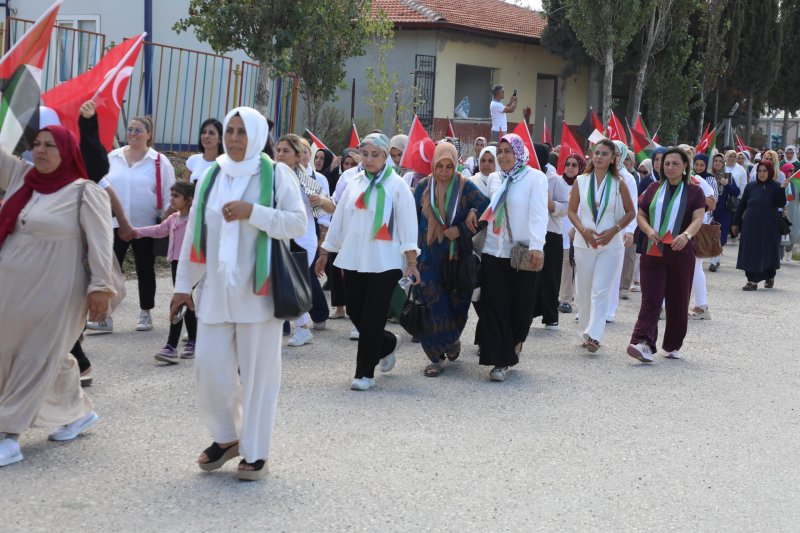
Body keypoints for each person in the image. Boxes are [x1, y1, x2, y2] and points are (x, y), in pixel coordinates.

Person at [171, 107, 306, 480]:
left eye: (242, 132)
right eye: (229, 131)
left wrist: (253, 212)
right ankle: (227, 437)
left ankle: (256, 451)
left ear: (258, 136)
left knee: (259, 378)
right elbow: (195, 235)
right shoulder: (212, 175)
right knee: (208, 368)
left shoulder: (276, 174)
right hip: (216, 293)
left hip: (259, 295)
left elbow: (298, 223)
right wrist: (183, 286)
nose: (233, 138)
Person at [0, 126, 115, 467]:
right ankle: (76, 412)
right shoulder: (23, 177)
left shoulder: (84, 192)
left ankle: (8, 435)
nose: (41, 150)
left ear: (67, 152)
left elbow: (101, 243)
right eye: (37, 144)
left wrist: (100, 287)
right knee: (35, 352)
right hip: (13, 289)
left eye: (51, 145)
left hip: (57, 289)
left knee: (36, 352)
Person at [321, 133, 420, 391]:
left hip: (385, 261)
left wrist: (411, 261)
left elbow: (408, 225)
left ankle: (364, 374)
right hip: (355, 257)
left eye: (375, 155)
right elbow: (340, 219)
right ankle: (387, 344)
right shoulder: (354, 182)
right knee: (356, 311)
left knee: (374, 316)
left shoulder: (397, 186)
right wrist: (326, 251)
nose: (369, 159)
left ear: (385, 156)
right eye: (365, 154)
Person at [92, 116, 175, 333]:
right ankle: (104, 316)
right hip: (114, 224)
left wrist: (167, 219)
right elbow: (101, 186)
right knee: (110, 270)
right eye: (130, 129)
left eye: (138, 130)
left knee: (145, 268)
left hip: (145, 226)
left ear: (149, 134)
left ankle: (145, 313)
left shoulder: (159, 161)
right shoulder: (113, 157)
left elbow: (169, 195)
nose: (133, 134)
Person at [413, 142, 489, 377]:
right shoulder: (423, 187)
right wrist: (409, 255)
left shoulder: (465, 187)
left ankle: (452, 338)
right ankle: (435, 357)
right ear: (433, 164)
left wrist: (462, 229)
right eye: (440, 166)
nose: (444, 172)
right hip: (429, 258)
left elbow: (487, 210)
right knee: (433, 306)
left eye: (449, 166)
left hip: (457, 258)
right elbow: (411, 218)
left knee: (458, 306)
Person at [476, 133, 547, 381]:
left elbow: (539, 213)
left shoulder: (534, 178)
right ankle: (500, 360)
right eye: (500, 151)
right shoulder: (495, 178)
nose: (503, 156)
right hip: (493, 250)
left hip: (522, 253)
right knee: (495, 305)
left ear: (518, 152)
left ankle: (515, 340)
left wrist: (537, 246)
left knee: (521, 308)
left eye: (508, 151)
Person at [627, 147, 706, 363]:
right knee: (651, 299)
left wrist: (686, 235)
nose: (670, 167)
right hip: (653, 250)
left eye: (675, 164)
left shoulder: (694, 191)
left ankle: (673, 344)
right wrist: (648, 230)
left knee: (678, 300)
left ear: (685, 166)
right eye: (666, 163)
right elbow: (641, 214)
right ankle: (642, 342)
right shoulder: (653, 188)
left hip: (681, 251)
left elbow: (698, 218)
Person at [567, 139, 635, 353]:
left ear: (613, 158)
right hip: (584, 243)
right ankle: (585, 332)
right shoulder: (581, 181)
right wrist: (583, 230)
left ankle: (595, 336)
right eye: (596, 153)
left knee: (600, 290)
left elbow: (631, 212)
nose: (599, 157)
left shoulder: (619, 182)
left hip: (610, 245)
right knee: (584, 290)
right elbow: (571, 211)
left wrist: (614, 231)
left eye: (604, 154)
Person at [274, 134, 329, 345]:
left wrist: (321, 201)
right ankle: (297, 327)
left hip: (302, 239)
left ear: (298, 156)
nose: (280, 154)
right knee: (283, 284)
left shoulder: (306, 180)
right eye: (278, 150)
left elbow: (329, 210)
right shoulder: (272, 175)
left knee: (291, 283)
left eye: (286, 151)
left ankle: (303, 328)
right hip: (279, 236)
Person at [133, 181, 197, 362]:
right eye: (171, 195)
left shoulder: (195, 220)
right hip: (177, 264)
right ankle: (193, 340)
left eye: (176, 196)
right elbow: (157, 231)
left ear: (189, 200)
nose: (172, 199)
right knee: (186, 302)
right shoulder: (173, 219)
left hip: (192, 265)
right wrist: (135, 232)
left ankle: (171, 345)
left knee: (179, 301)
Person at [531, 143, 571, 329]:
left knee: (550, 277)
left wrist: (551, 205)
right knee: (530, 277)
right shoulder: (527, 176)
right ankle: (528, 313)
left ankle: (550, 316)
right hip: (531, 233)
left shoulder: (555, 180)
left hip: (551, 233)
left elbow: (566, 207)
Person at [732, 161, 788, 290]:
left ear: (770, 172)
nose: (762, 173)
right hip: (750, 226)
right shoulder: (750, 186)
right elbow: (742, 206)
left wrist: (782, 189)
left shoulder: (776, 186)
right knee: (750, 251)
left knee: (768, 251)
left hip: (769, 227)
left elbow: (780, 203)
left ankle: (769, 276)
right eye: (759, 171)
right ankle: (752, 281)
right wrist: (735, 223)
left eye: (764, 171)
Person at [606, 141, 639, 319]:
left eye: (618, 154)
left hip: (618, 228)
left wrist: (630, 230)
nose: (614, 157)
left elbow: (633, 206)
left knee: (613, 270)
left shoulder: (628, 178)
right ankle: (588, 309)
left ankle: (609, 309)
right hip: (596, 228)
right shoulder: (596, 173)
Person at [688, 153, 718, 320]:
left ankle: (701, 306)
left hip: (696, 228)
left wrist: (696, 190)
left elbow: (712, 204)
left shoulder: (698, 180)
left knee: (695, 267)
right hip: (675, 229)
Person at [558, 153, 585, 313]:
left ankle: (566, 300)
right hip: (556, 231)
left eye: (574, 165)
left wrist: (576, 229)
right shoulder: (558, 182)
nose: (570, 167)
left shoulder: (583, 185)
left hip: (572, 232)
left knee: (568, 266)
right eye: (568, 164)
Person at [709, 153, 740, 271]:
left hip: (725, 211)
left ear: (723, 163)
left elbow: (736, 192)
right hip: (710, 211)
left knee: (721, 236)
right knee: (710, 235)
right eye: (715, 161)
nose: (717, 163)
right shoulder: (708, 176)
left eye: (720, 161)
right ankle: (715, 256)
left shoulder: (728, 176)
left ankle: (714, 259)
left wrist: (727, 185)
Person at [186, 118, 224, 183]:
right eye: (203, 132)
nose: (206, 136)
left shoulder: (225, 164)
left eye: (211, 133)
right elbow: (184, 187)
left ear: (220, 139)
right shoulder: (193, 160)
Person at [781, 161, 800, 262]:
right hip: (784, 213)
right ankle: (780, 256)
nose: (792, 172)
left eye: (793, 170)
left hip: (795, 213)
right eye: (790, 170)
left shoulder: (797, 184)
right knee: (782, 234)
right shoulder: (781, 182)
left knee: (795, 233)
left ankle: (788, 253)